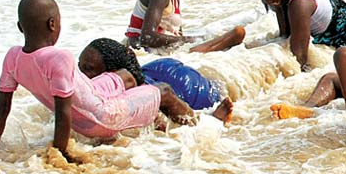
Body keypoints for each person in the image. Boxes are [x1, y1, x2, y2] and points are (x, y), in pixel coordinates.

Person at [0, 0, 196, 162]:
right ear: (52, 24)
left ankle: (150, 117)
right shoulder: (59, 58)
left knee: (125, 76)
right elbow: (63, 111)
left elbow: (2, 106)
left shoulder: (13, 57)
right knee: (164, 91)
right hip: (102, 117)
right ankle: (197, 127)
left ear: (20, 26)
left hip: (91, 98)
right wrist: (60, 153)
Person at [78, 39, 233, 119]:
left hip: (185, 85)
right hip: (154, 70)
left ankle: (215, 118)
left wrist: (208, 122)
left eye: (88, 69)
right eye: (79, 67)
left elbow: (169, 101)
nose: (80, 74)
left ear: (113, 75)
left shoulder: (139, 98)